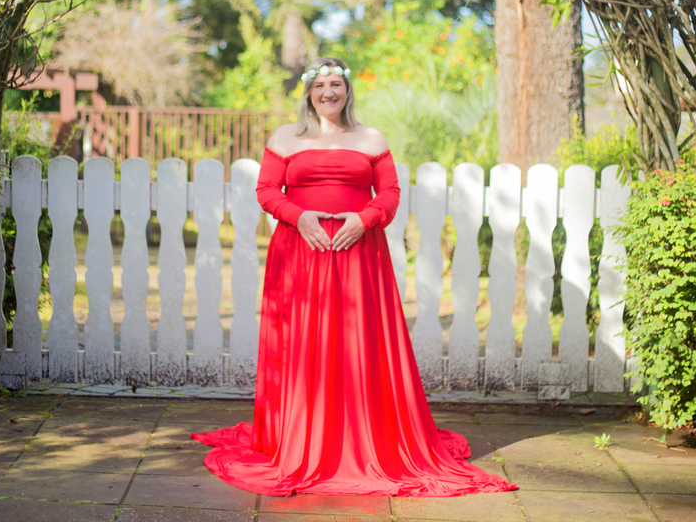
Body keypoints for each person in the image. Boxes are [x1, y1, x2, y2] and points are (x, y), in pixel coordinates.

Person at [192, 57, 518, 497]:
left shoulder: (371, 138)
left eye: (336, 85)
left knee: (357, 342)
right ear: (308, 93)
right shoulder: (286, 137)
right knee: (304, 342)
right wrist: (300, 216)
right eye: (320, 85)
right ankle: (298, 435)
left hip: (358, 252)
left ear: (348, 91)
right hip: (300, 251)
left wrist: (364, 220)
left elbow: (389, 193)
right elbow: (267, 190)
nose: (328, 92)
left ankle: (361, 436)